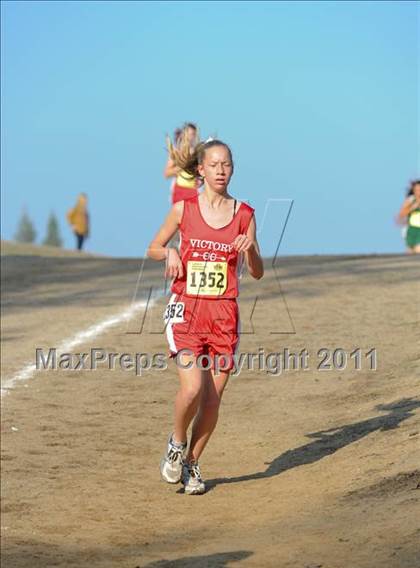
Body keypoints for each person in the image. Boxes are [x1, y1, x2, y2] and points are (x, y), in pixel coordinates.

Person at [147, 139, 264, 494]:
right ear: (201, 169)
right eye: (214, 164)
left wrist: (251, 250)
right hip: (186, 310)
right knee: (193, 387)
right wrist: (167, 254)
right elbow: (153, 246)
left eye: (226, 164)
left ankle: (192, 465)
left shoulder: (245, 214)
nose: (221, 170)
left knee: (212, 400)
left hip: (223, 314)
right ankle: (177, 443)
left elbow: (257, 272)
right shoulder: (184, 209)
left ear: (233, 168)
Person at [164, 123, 201, 204]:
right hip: (179, 190)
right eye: (189, 134)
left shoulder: (198, 152)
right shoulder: (176, 152)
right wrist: (183, 165)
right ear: (183, 135)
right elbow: (167, 174)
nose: (191, 137)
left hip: (194, 191)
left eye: (193, 134)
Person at [398, 180, 420, 254]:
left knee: (418, 250)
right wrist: (412, 208)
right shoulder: (410, 200)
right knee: (410, 252)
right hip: (411, 230)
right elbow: (401, 214)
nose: (418, 192)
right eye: (416, 190)